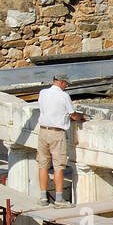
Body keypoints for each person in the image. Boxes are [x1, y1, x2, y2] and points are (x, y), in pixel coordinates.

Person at [36, 75, 85, 208]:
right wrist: (82, 116)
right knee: (59, 166)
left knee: (43, 164)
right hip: (56, 133)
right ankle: (59, 199)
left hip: (43, 131)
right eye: (66, 84)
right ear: (62, 82)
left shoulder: (43, 93)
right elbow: (73, 115)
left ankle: (42, 197)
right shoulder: (64, 96)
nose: (66, 86)